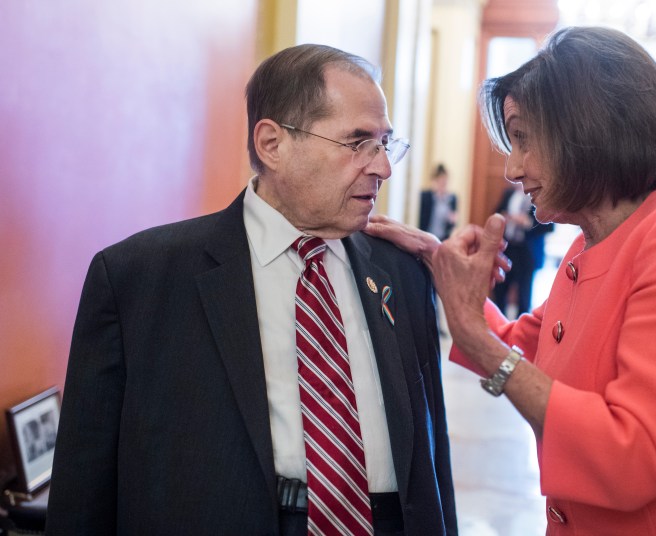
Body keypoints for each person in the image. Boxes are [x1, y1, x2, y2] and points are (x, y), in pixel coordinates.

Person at [367, 27, 656, 535]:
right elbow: (527, 346)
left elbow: (633, 452)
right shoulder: (593, 243)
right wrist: (436, 261)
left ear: (588, 129)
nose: (512, 169)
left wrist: (477, 340)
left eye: (523, 139)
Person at [47, 44, 457, 536]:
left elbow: (434, 466)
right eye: (358, 143)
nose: (382, 168)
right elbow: (83, 487)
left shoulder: (404, 273)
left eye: (386, 143)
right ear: (272, 144)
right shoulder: (139, 278)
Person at [492, 185, 553, 317]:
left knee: (524, 293)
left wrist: (528, 223)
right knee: (500, 288)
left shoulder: (538, 197)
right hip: (508, 248)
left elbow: (548, 227)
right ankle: (498, 323)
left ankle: (521, 328)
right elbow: (497, 212)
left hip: (526, 251)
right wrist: (504, 217)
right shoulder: (509, 193)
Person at [418, 163, 458, 241]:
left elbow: (452, 223)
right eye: (440, 181)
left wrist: (452, 220)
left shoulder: (452, 199)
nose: (443, 184)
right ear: (435, 181)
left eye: (445, 181)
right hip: (426, 236)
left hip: (443, 238)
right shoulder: (426, 196)